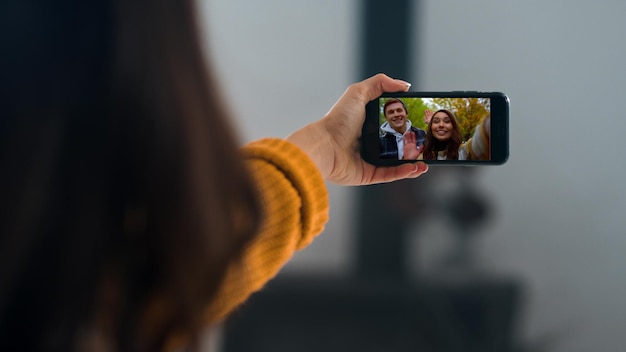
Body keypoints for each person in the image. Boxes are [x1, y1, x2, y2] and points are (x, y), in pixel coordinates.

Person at [0, 1, 429, 351]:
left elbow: (185, 255)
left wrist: (323, 149)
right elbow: (184, 260)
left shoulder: (83, 280)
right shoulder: (94, 302)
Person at [420, 109, 490, 160]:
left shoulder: (464, 151)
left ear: (454, 127)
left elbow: (483, 136)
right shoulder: (424, 155)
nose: (441, 125)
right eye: (436, 121)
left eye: (447, 121)